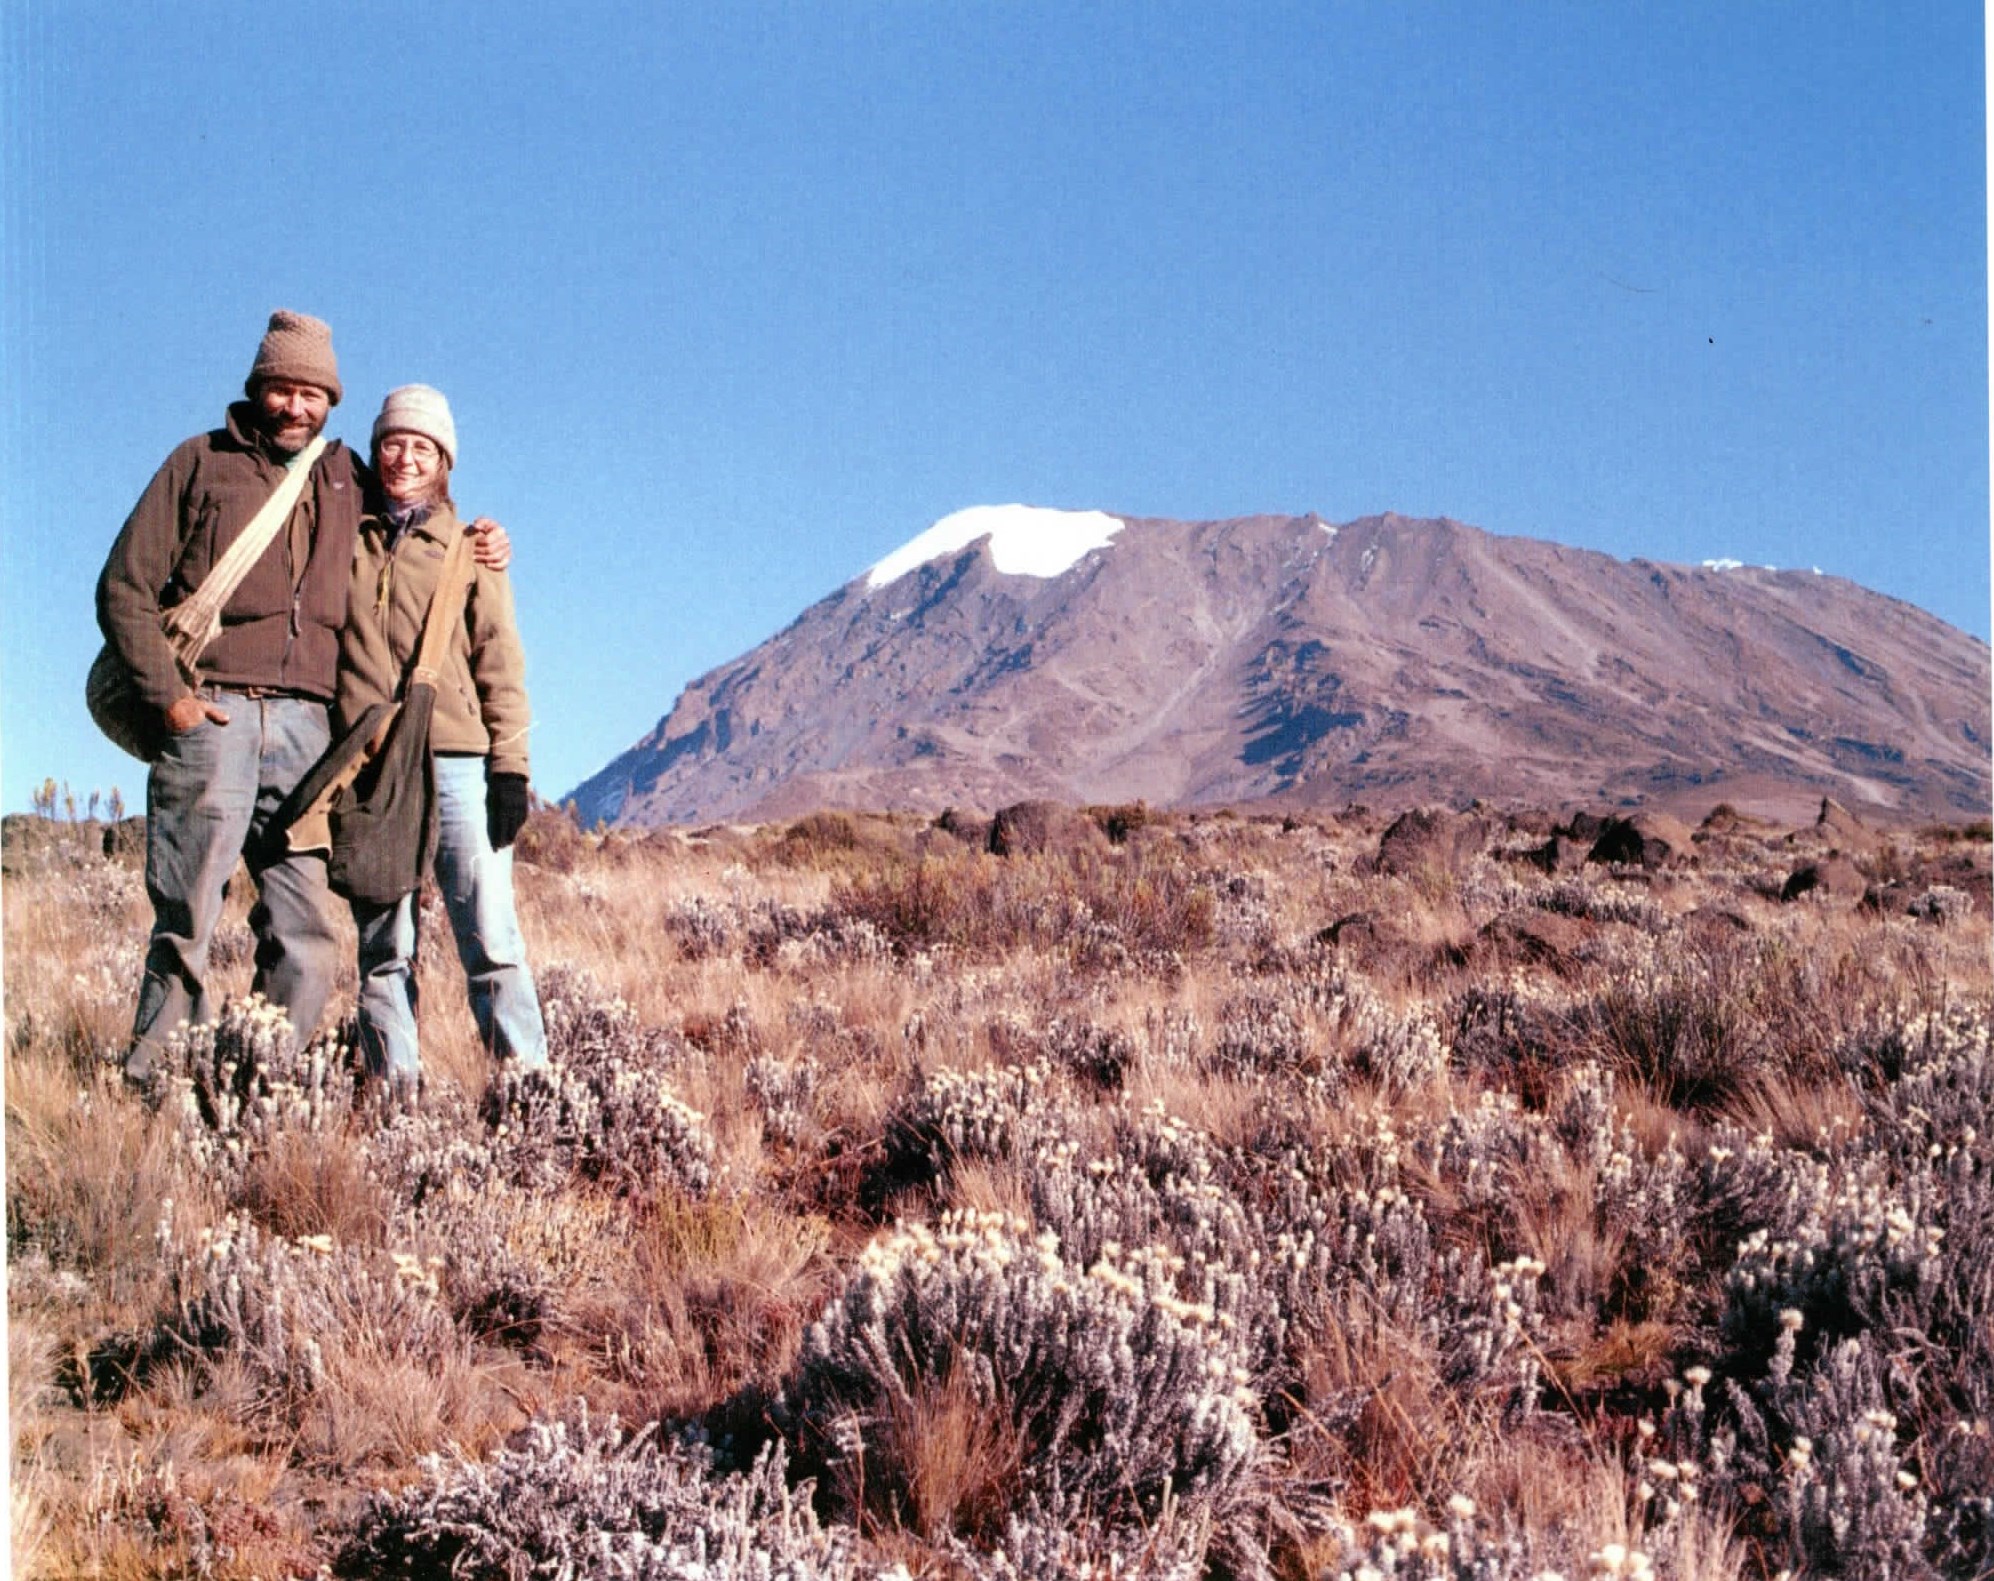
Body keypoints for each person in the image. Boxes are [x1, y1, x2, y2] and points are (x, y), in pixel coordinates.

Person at [97, 311, 508, 1083]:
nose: (295, 406)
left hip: (312, 736)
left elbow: (414, 522)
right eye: (282, 389)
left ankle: (260, 1087)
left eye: (312, 393)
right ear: (258, 388)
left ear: (330, 400)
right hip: (212, 714)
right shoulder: (200, 463)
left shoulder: (345, 475)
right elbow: (123, 590)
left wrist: (479, 537)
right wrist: (176, 703)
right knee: (187, 917)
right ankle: (151, 1087)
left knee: (308, 925)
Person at [338, 384, 548, 1086]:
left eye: (422, 446)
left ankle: (528, 1099)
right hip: (371, 766)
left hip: (459, 760)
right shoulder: (343, 538)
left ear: (444, 460)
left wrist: (510, 766)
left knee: (490, 938)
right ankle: (395, 1102)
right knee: (383, 946)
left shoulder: (472, 551)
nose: (404, 457)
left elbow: (501, 659)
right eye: (393, 442)